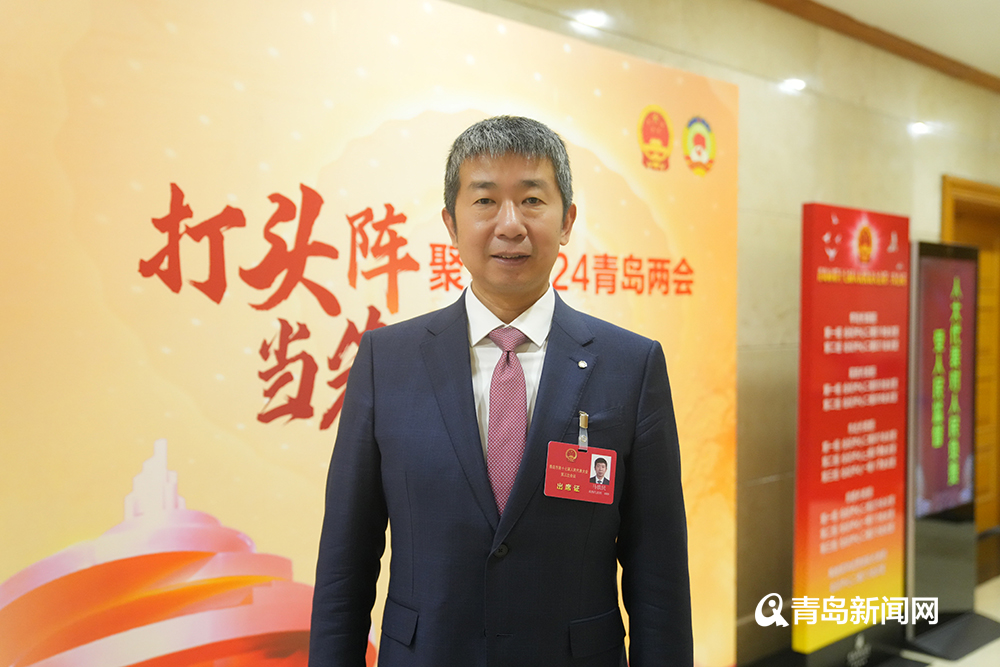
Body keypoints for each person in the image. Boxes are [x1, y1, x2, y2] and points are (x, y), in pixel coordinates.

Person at [309, 116, 691, 667]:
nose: (510, 225)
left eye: (532, 200)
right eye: (485, 201)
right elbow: (346, 560)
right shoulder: (385, 361)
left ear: (567, 221)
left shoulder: (631, 366)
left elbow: (659, 574)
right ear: (451, 222)